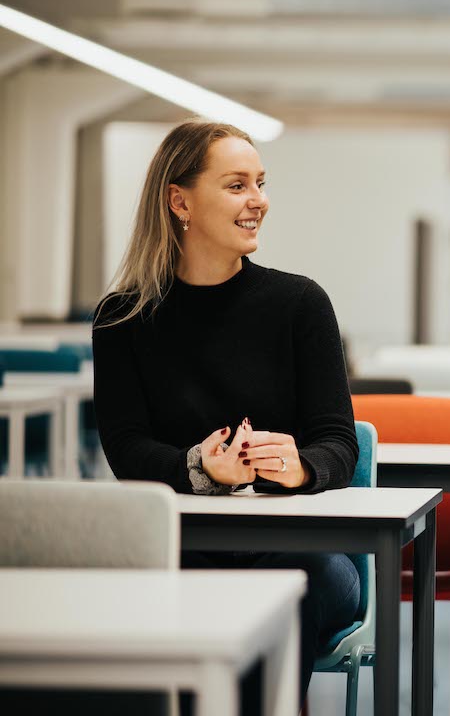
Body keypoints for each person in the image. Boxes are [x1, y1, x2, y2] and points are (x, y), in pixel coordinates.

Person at [92, 120, 360, 714]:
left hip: (301, 552)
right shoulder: (123, 318)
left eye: (260, 183)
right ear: (179, 200)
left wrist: (299, 467)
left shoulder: (301, 304)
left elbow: (340, 442)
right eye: (237, 185)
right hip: (184, 546)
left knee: (293, 588)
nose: (259, 201)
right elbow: (126, 449)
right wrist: (201, 469)